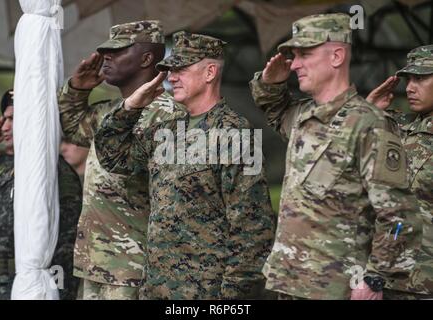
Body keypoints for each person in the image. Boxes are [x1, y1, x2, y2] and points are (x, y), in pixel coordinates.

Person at [249, 13, 421, 300]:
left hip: (336, 289)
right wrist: (270, 82)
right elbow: (274, 110)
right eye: (294, 56)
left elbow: (400, 217)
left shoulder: (369, 123)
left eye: (305, 54)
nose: (295, 64)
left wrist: (376, 278)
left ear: (337, 56)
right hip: (290, 284)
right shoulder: (304, 116)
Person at [95, 31, 275, 299]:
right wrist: (131, 106)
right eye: (169, 69)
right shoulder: (166, 128)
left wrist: (232, 295)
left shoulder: (234, 133)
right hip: (158, 287)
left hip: (206, 291)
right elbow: (113, 157)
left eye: (180, 69)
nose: (171, 77)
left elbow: (252, 226)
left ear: (210, 72)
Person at [58, 20, 186, 299]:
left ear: (147, 58)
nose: (107, 57)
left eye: (118, 51)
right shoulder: (109, 112)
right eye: (106, 51)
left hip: (135, 266)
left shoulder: (168, 115)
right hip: (96, 262)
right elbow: (70, 128)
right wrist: (78, 89)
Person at [0, 90, 82, 300]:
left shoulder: (54, 172)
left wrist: (60, 292)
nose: (5, 127)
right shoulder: (2, 167)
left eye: (13, 119)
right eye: (4, 119)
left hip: (31, 285)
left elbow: (66, 245)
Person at [366, 44, 433, 299]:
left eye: (420, 78)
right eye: (408, 79)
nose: (409, 88)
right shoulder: (401, 127)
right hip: (394, 279)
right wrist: (369, 108)